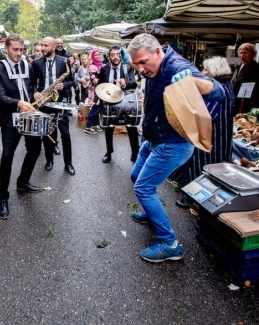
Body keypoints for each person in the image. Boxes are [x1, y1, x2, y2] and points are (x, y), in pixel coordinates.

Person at [126, 34, 225, 263]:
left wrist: (196, 82)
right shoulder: (153, 63)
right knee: (136, 177)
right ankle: (153, 214)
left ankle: (169, 244)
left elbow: (219, 91)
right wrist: (128, 60)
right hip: (154, 139)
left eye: (143, 62)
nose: (140, 69)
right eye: (136, 63)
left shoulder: (178, 67)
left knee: (143, 188)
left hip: (172, 144)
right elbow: (140, 63)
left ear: (158, 52)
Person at [0, 33, 43, 219]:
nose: (19, 53)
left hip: (28, 116)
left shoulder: (27, 66)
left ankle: (23, 181)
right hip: (9, 119)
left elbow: (30, 87)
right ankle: (3, 198)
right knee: (6, 156)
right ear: (6, 49)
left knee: (35, 149)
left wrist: (35, 94)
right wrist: (18, 103)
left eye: (22, 50)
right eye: (15, 50)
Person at [171, 56, 235, 206]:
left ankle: (193, 200)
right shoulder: (227, 86)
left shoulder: (217, 89)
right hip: (220, 138)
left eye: (206, 69)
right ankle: (201, 197)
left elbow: (206, 115)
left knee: (201, 168)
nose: (202, 72)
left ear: (214, 71)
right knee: (213, 170)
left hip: (210, 138)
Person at [33, 37, 76, 175]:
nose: (43, 48)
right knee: (47, 133)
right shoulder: (36, 63)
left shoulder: (63, 61)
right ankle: (49, 160)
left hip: (60, 100)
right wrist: (35, 92)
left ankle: (68, 164)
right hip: (44, 101)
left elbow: (72, 81)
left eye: (46, 45)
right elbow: (32, 83)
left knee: (65, 133)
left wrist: (64, 85)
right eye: (42, 45)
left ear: (53, 47)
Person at [93, 45, 140, 163]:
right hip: (110, 102)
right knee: (108, 128)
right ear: (109, 56)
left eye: (118, 55)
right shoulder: (105, 68)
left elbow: (134, 84)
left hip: (126, 102)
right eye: (112, 55)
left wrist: (125, 84)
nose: (115, 57)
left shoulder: (127, 68)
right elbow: (100, 86)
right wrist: (94, 100)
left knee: (131, 127)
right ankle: (109, 153)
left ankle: (135, 154)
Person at [231, 43, 259, 114]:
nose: (242, 55)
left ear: (251, 54)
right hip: (235, 100)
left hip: (247, 102)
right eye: (241, 53)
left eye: (245, 53)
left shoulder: (255, 67)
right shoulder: (237, 67)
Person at [83, 49, 103, 135]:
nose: (98, 56)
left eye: (99, 54)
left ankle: (94, 125)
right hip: (94, 90)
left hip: (101, 89)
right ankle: (88, 127)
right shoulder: (92, 66)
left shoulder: (102, 65)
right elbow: (93, 79)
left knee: (98, 108)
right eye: (96, 55)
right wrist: (103, 82)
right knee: (95, 107)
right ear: (92, 56)